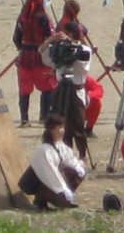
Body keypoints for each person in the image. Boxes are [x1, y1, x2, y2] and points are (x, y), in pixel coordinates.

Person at [39, 22, 92, 160]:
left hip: (76, 89)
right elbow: (44, 55)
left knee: (78, 125)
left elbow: (82, 66)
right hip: (61, 88)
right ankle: (63, 153)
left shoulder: (84, 49)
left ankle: (82, 155)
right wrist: (51, 40)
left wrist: (72, 49)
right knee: (61, 123)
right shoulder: (59, 48)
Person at [13, 0, 56, 127]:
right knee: (47, 87)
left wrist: (22, 48)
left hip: (25, 55)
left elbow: (16, 38)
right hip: (40, 56)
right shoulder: (43, 18)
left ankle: (24, 119)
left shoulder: (22, 17)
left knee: (24, 89)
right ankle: (43, 116)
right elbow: (50, 36)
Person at [26, 114, 85, 211]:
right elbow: (49, 172)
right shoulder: (45, 149)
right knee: (62, 202)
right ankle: (41, 199)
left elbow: (68, 158)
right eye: (59, 127)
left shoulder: (59, 144)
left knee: (77, 172)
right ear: (51, 129)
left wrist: (77, 166)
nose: (62, 130)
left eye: (63, 127)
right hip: (42, 183)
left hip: (54, 181)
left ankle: (61, 197)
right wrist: (62, 189)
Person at [84, 75, 104, 139]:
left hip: (82, 104)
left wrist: (87, 97)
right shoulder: (57, 76)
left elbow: (98, 89)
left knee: (97, 103)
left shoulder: (85, 78)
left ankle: (89, 129)